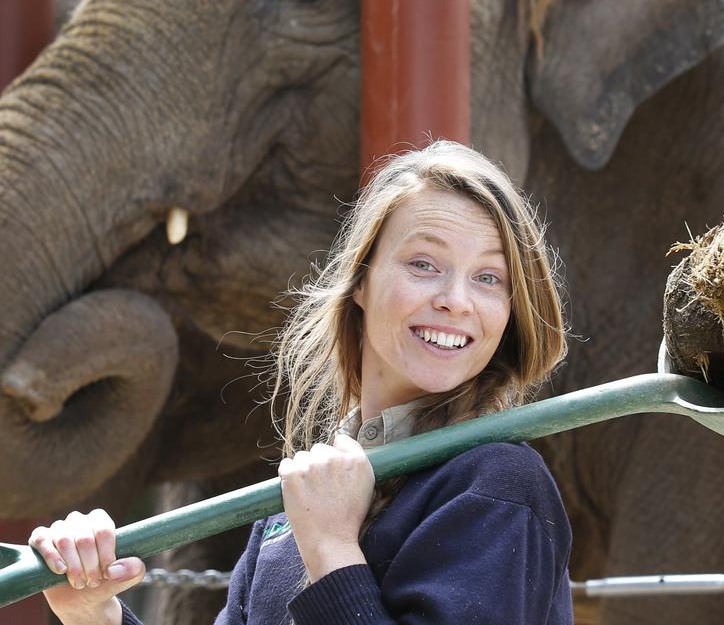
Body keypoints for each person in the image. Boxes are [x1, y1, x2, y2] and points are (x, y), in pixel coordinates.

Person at [28, 140, 573, 624]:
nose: (455, 299)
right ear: (360, 281)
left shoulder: (499, 484)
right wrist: (93, 614)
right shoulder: (296, 510)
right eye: (424, 264)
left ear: (510, 311)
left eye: (488, 278)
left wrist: (333, 549)